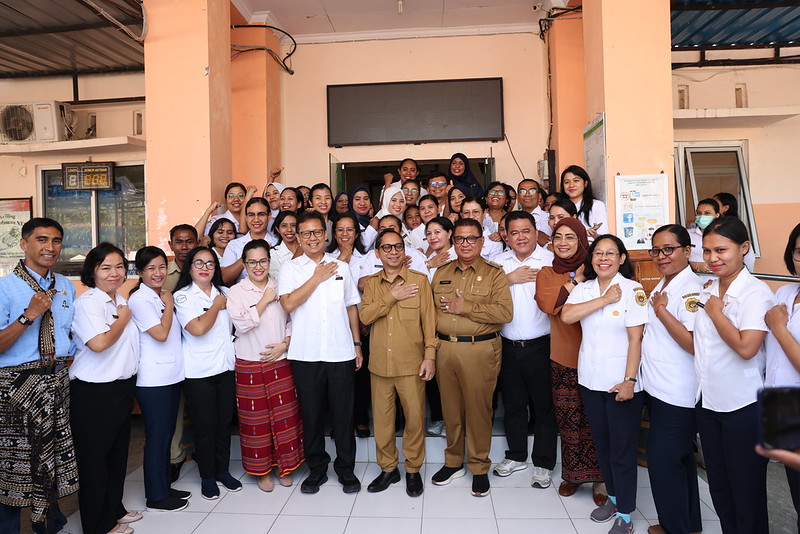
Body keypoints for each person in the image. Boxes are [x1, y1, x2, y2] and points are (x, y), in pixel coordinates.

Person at [561, 234, 647, 534]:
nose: (604, 258)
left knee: (623, 449)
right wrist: (603, 299)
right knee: (603, 444)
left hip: (620, 382)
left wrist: (629, 381)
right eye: (598, 253)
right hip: (590, 380)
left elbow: (636, 338)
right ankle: (612, 497)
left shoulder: (633, 290)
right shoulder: (584, 289)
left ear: (622, 258)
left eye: (611, 253)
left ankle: (625, 513)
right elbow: (568, 315)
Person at [694, 217, 773, 534]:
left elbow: (746, 347)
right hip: (709, 403)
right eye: (707, 250)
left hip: (744, 407)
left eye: (721, 250)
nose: (713, 258)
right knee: (721, 489)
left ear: (743, 248)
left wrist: (715, 312)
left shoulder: (757, 293)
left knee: (747, 493)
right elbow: (701, 346)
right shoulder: (709, 288)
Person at [0, 218, 78, 534]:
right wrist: (28, 315)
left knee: (52, 456)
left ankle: (49, 522)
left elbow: (68, 332)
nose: (50, 247)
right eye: (42, 240)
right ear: (24, 244)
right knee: (14, 464)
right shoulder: (5, 287)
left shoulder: (66, 284)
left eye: (56, 240)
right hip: (17, 386)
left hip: (56, 382)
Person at [278, 210, 363, 494]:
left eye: (317, 232)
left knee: (343, 416)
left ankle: (346, 470)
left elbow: (351, 306)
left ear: (326, 235)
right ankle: (316, 469)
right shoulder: (291, 269)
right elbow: (288, 304)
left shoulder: (342, 267)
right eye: (306, 234)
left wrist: (357, 344)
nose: (312, 238)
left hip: (340, 352)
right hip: (306, 354)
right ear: (298, 238)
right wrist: (315, 278)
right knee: (312, 416)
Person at [430, 218, 513, 497]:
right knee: (450, 410)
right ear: (453, 242)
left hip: (480, 350)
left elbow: (504, 314)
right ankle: (454, 462)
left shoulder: (494, 274)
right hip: (445, 349)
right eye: (460, 239)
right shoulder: (440, 272)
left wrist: (466, 306)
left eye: (471, 238)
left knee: (478, 411)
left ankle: (479, 466)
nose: (465, 244)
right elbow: (429, 314)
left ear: (481, 241)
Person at [359, 229, 437, 497]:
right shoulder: (371, 284)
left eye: (398, 247)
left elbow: (429, 322)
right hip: (379, 366)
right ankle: (388, 469)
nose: (393, 252)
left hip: (411, 365)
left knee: (414, 420)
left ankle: (413, 470)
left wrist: (430, 356)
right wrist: (393, 295)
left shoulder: (419, 281)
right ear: (378, 253)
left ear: (404, 251)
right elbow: (366, 316)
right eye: (387, 248)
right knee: (382, 422)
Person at [70, 243, 141, 534]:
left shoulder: (116, 301)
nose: (115, 273)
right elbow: (98, 344)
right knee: (95, 461)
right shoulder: (89, 303)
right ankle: (97, 525)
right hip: (94, 393)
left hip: (120, 389)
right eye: (106, 267)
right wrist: (123, 320)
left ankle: (114, 509)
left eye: (120, 266)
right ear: (93, 272)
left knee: (116, 455)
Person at [534, 218, 606, 503]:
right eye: (558, 237)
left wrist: (583, 276)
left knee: (597, 420)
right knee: (568, 419)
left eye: (571, 237)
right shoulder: (547, 273)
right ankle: (573, 475)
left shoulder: (599, 270)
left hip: (599, 356)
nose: (563, 243)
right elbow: (549, 305)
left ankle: (600, 478)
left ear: (581, 241)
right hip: (563, 357)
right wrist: (575, 279)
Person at [640, 225, 703, 534]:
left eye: (669, 249)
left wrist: (662, 311)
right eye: (656, 250)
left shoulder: (691, 288)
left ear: (687, 251)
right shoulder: (666, 283)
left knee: (663, 459)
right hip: (659, 388)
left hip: (678, 392)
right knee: (680, 459)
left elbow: (693, 343)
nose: (661, 256)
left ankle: (674, 528)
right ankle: (688, 524)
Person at [227, 239, 304, 493]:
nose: (258, 267)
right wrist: (264, 300)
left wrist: (286, 343)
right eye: (252, 262)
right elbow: (241, 324)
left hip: (280, 360)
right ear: (245, 264)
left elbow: (294, 318)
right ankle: (262, 471)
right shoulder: (236, 292)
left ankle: (286, 466)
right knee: (255, 421)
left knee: (285, 417)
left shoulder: (281, 286)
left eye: (262, 261)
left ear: (269, 262)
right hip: (250, 363)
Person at [493, 211, 558, 489]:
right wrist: (509, 279)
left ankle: (543, 463)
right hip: (507, 345)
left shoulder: (550, 261)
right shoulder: (497, 263)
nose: (521, 237)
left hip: (542, 344)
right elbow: (484, 293)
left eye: (526, 231)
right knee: (514, 405)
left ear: (536, 232)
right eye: (515, 232)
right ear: (506, 235)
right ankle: (517, 455)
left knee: (544, 407)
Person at [173, 247, 240, 501]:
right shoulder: (182, 297)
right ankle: (207, 476)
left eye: (210, 264)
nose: (205, 267)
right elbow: (198, 328)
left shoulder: (224, 292)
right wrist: (215, 307)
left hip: (225, 367)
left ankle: (222, 470)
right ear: (190, 267)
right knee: (205, 425)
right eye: (199, 263)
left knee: (224, 423)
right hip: (198, 372)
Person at [128, 247, 189, 512]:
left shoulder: (159, 296)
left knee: (166, 436)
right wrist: (171, 304)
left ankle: (164, 487)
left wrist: (167, 300)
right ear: (139, 272)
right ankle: (156, 495)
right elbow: (161, 334)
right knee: (157, 437)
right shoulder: (141, 300)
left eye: (162, 267)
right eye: (150, 268)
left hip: (170, 376)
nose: (158, 273)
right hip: (153, 381)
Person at [764, 222, 800, 530]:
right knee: (796, 493)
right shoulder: (786, 292)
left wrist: (778, 326)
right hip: (783, 407)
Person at [221, 197, 272, 285]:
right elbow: (224, 278)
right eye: (251, 215)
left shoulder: (277, 242)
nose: (256, 219)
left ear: (269, 216)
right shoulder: (234, 245)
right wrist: (247, 256)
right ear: (246, 217)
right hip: (242, 296)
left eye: (261, 214)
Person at [560, 165, 608, 240]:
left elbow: (604, 237)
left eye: (576, 181)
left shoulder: (597, 205)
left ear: (585, 183)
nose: (571, 185)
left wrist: (594, 236)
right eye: (567, 182)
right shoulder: (559, 207)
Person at [460, 196, 503, 261]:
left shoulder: (494, 243)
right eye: (466, 213)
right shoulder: (457, 240)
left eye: (476, 212)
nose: (471, 216)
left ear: (484, 213)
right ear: (461, 215)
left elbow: (493, 270)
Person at [163, 224, 198, 292]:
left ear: (197, 243)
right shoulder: (162, 273)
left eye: (189, 242)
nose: (184, 247)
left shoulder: (205, 272)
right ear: (171, 245)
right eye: (179, 242)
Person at [269, 210, 300, 284]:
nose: (289, 230)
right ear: (277, 229)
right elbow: (279, 280)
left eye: (293, 225)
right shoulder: (273, 254)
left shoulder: (308, 249)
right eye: (284, 226)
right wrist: (298, 254)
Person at [518, 179, 551, 246]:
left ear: (539, 196)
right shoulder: (513, 218)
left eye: (532, 191)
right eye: (523, 191)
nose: (527, 194)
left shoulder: (549, 217)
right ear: (517, 196)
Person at [423, 217, 455, 281]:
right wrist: (429, 264)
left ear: (449, 233)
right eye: (429, 233)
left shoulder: (458, 256)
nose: (432, 237)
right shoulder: (428, 259)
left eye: (437, 232)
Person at [347, 184, 378, 250]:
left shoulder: (372, 221)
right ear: (350, 201)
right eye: (357, 199)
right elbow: (360, 248)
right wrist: (372, 229)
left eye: (366, 199)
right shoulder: (347, 222)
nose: (362, 203)